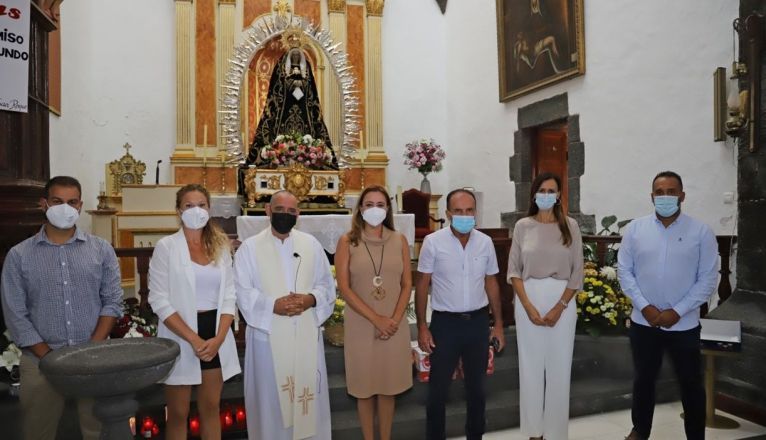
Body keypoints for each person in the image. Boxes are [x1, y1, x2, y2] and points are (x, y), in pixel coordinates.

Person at [1, 176, 123, 440]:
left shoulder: (101, 250)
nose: (65, 207)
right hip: (40, 361)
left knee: (98, 430)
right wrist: (48, 357)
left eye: (72, 202)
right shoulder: (19, 255)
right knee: (37, 431)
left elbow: (112, 301)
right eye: (57, 201)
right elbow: (15, 314)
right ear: (44, 204)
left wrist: (91, 348)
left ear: (80, 206)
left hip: (93, 358)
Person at [618, 171, 718, 440]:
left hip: (684, 324)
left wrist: (678, 310)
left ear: (682, 196)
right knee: (643, 381)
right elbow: (625, 272)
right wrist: (645, 307)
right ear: (652, 197)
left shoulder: (701, 232)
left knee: (691, 384)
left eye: (671, 192)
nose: (665, 197)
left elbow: (708, 278)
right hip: (643, 322)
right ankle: (640, 431)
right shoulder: (635, 230)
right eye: (659, 192)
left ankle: (695, 436)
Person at [234, 190, 336, 440]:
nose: (285, 215)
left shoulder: (310, 245)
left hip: (305, 334)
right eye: (279, 209)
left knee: (307, 402)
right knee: (271, 403)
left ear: (298, 214)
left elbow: (326, 285)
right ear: (268, 211)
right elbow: (241, 291)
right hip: (267, 338)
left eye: (291, 211)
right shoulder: (249, 248)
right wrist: (272, 305)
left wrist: (309, 299)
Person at [147, 184, 241, 440]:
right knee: (178, 413)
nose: (196, 210)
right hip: (181, 333)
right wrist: (193, 338)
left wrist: (220, 338)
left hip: (215, 333)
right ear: (178, 210)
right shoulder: (167, 247)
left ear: (209, 209)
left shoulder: (220, 246)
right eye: (189, 206)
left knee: (211, 408)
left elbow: (229, 295)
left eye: (201, 205)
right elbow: (159, 300)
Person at [415, 188, 506, 440]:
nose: (464, 215)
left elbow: (492, 283)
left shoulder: (485, 242)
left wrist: (497, 324)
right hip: (445, 325)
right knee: (438, 391)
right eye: (458, 211)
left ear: (475, 213)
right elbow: (422, 284)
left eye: (469, 211)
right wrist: (423, 326)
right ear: (448, 213)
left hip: (477, 323)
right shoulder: (433, 243)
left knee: (477, 391)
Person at [507, 172, 584, 440]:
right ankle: (534, 433)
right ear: (534, 194)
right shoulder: (522, 226)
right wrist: (527, 305)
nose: (547, 195)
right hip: (528, 297)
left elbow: (577, 273)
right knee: (530, 368)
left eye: (552, 190)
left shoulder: (570, 226)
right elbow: (514, 270)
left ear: (560, 195)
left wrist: (559, 306)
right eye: (542, 190)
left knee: (559, 369)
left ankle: (555, 433)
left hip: (561, 300)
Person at [334, 186, 413, 440]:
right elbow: (344, 287)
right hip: (361, 322)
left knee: (388, 387)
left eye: (381, 204)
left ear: (388, 209)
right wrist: (376, 319)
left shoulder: (399, 239)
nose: (375, 209)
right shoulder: (347, 241)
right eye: (369, 204)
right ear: (360, 209)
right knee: (364, 388)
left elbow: (407, 284)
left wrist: (394, 320)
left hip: (393, 324)